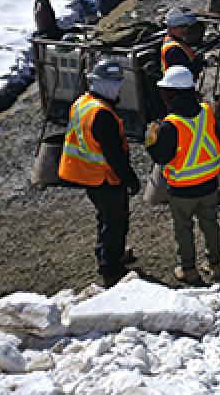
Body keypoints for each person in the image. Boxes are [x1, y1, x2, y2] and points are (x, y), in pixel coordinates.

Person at [58, 60, 141, 287]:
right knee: (115, 221)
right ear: (105, 85)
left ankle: (108, 253)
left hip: (88, 174)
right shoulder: (102, 114)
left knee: (105, 218)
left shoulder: (83, 103)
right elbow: (114, 155)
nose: (119, 88)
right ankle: (111, 268)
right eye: (116, 84)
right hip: (104, 177)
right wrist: (131, 180)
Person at [144, 65, 220, 284]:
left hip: (183, 189)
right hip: (209, 183)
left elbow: (161, 157)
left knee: (184, 229)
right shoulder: (206, 111)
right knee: (210, 224)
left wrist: (150, 141)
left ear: (172, 93)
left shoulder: (171, 125)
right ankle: (215, 265)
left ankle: (189, 270)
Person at [161, 6, 205, 79]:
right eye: (181, 26)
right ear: (171, 27)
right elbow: (187, 71)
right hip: (178, 87)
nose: (185, 29)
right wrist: (200, 64)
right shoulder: (173, 49)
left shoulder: (177, 41)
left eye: (186, 26)